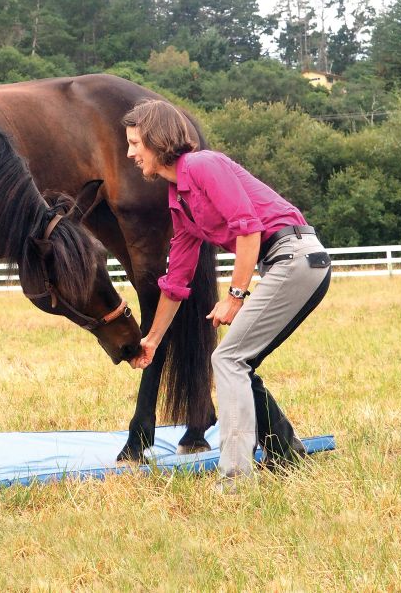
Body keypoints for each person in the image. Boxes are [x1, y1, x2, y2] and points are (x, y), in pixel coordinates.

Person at [124, 100, 332, 488]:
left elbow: (249, 230)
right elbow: (177, 281)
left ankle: (236, 479)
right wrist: (152, 339)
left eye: (135, 143)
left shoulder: (202, 165)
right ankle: (287, 453)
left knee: (228, 358)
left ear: (156, 139)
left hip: (296, 258)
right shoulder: (179, 199)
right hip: (285, 262)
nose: (130, 153)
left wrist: (235, 296)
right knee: (240, 361)